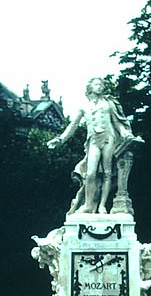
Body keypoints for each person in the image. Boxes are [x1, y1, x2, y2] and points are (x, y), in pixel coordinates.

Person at [47, 77, 140, 213]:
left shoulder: (109, 104)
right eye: (97, 84)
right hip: (93, 141)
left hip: (109, 138)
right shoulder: (83, 107)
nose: (100, 86)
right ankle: (88, 205)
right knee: (90, 173)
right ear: (90, 87)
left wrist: (125, 133)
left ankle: (102, 205)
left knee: (107, 173)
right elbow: (73, 125)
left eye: (101, 84)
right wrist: (61, 139)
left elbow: (118, 122)